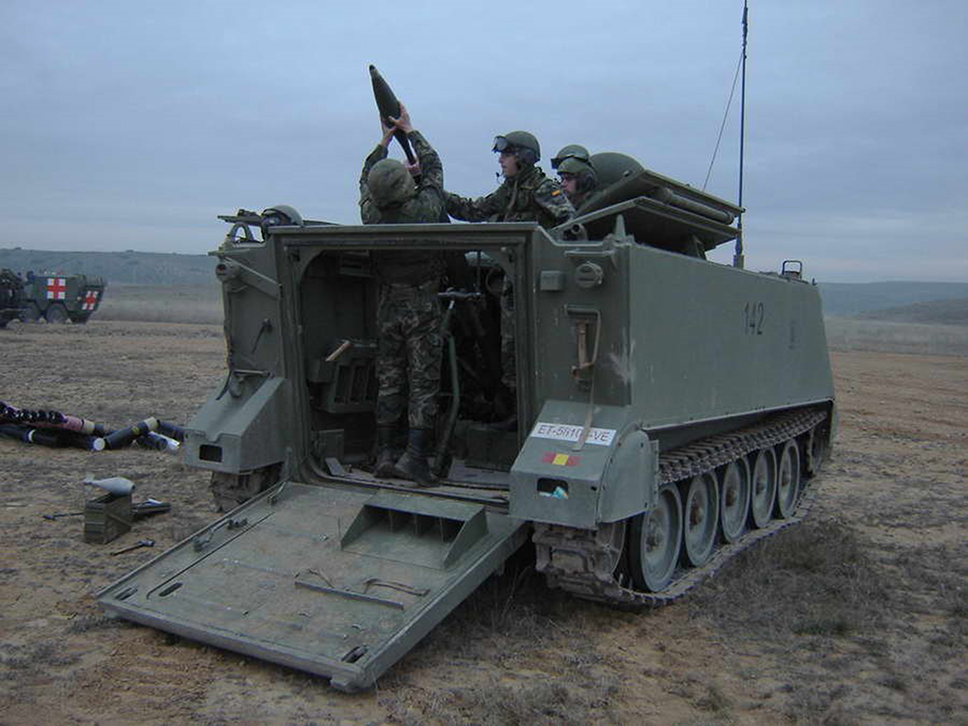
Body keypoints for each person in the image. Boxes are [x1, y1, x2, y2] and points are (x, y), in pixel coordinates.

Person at [445, 132, 574, 425]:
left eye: (506, 155)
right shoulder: (509, 190)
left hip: (534, 284)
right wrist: (433, 190)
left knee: (528, 347)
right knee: (509, 348)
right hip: (513, 282)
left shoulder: (542, 188)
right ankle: (515, 410)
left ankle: (529, 413)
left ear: (523, 158)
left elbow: (570, 225)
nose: (501, 160)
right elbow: (473, 210)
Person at [359, 103, 444, 486]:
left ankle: (385, 452)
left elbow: (366, 179)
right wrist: (409, 131)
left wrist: (384, 142)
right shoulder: (424, 211)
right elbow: (435, 170)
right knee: (423, 382)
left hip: (387, 306)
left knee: (390, 379)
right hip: (422, 307)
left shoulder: (371, 215)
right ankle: (415, 458)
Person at [551, 144, 598, 211]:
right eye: (562, 179)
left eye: (568, 179)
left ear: (584, 181)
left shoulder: (595, 206)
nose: (563, 184)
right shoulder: (567, 205)